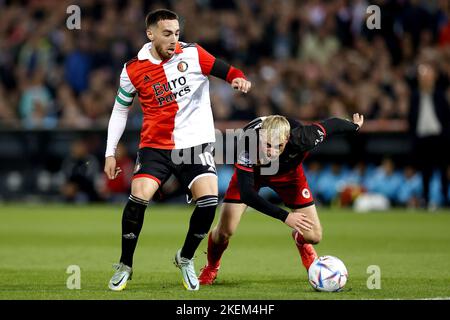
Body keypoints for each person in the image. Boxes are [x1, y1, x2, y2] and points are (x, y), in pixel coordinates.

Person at [104, 9, 251, 291]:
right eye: (167, 34)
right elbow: (120, 111)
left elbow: (228, 71)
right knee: (139, 196)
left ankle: (185, 258)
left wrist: (238, 79)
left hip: (194, 145)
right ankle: (125, 264)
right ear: (151, 34)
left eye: (177, 33)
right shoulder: (133, 69)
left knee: (209, 201)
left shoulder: (194, 54)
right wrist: (110, 152)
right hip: (155, 147)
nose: (174, 40)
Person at [198, 113, 364, 285]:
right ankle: (211, 267)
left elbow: (332, 125)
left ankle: (300, 241)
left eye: (279, 146)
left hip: (289, 176)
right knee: (225, 232)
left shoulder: (303, 137)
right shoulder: (246, 142)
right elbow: (248, 195)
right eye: (268, 145)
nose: (272, 152)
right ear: (261, 135)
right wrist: (285, 216)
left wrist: (355, 126)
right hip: (254, 175)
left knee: (314, 236)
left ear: (287, 139)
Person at [408, 62, 450, 209]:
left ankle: (445, 199)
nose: (425, 79)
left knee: (443, 170)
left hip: (439, 138)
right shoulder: (415, 96)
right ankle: (425, 199)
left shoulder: (439, 95)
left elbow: (446, 117)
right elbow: (411, 119)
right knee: (425, 171)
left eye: (428, 76)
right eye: (423, 77)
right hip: (422, 138)